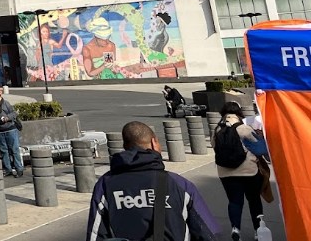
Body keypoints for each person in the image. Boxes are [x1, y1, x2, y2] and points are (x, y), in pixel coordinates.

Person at [86, 121, 218, 241]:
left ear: (125, 146)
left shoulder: (105, 184)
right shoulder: (178, 184)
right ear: (154, 143)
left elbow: (95, 234)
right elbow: (207, 232)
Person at [213, 102, 264, 241]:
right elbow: (260, 149)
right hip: (249, 171)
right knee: (254, 200)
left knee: (234, 201)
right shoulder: (244, 128)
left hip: (226, 172)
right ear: (239, 113)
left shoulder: (217, 130)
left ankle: (236, 229)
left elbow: (215, 148)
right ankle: (258, 231)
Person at [0, 88, 23, 177]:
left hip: (10, 129)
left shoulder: (5, 103)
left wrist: (7, 118)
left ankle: (19, 169)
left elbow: (14, 113)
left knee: (14, 150)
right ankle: (8, 169)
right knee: (3, 151)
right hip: (0, 131)